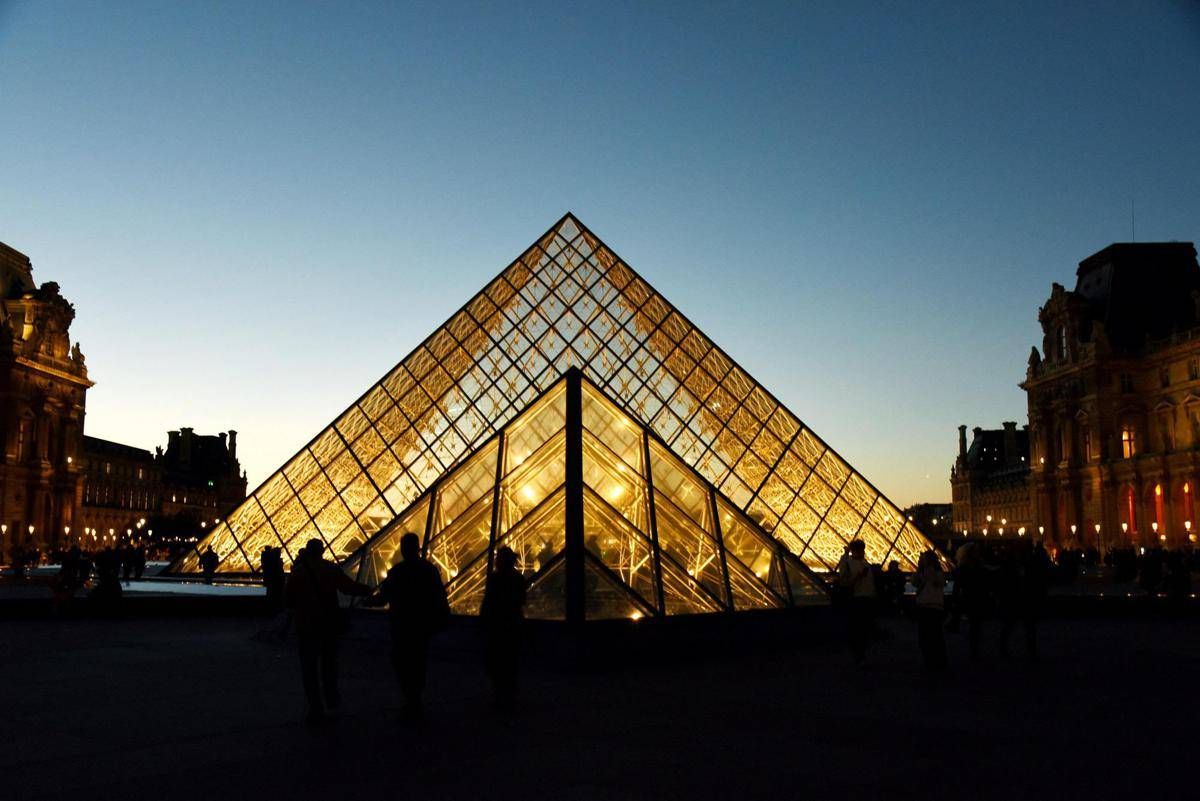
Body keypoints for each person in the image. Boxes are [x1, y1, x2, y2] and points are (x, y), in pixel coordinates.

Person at [285, 538, 373, 723]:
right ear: (322, 551)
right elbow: (348, 587)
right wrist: (367, 590)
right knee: (329, 666)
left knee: (309, 669)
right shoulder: (330, 569)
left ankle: (315, 707)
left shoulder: (298, 573)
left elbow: (288, 599)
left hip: (306, 626)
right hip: (327, 624)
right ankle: (332, 701)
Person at [368, 532, 449, 719]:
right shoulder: (429, 570)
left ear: (403, 550)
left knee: (402, 662)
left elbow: (383, 597)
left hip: (401, 625)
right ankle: (415, 698)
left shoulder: (397, 572)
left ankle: (410, 698)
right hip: (421, 625)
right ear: (418, 548)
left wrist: (368, 601)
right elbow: (439, 595)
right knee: (418, 661)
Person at [480, 546, 527, 712]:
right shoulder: (518, 578)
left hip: (497, 626)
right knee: (510, 661)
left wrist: (483, 620)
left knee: (497, 661)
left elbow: (488, 602)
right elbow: (522, 600)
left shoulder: (495, 578)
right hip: (512, 624)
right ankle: (510, 694)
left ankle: (499, 694)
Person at [836, 539, 876, 665]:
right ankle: (858, 655)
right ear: (855, 551)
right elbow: (844, 581)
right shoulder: (848, 563)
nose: (863, 552)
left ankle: (860, 654)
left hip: (866, 598)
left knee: (862, 629)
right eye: (860, 550)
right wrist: (858, 577)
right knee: (857, 629)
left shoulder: (865, 563)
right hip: (856, 599)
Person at [912, 550, 947, 672]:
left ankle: (935, 661)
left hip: (932, 607)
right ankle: (931, 660)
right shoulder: (922, 572)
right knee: (927, 636)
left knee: (933, 636)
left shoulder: (936, 572)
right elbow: (915, 582)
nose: (922, 560)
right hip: (926, 606)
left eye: (923, 558)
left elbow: (939, 583)